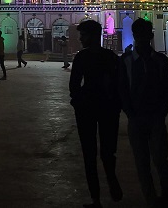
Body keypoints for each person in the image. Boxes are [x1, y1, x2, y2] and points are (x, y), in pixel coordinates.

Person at [118, 19, 168, 208]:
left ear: (150, 36)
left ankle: (165, 192)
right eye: (139, 35)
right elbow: (122, 89)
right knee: (142, 161)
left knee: (159, 158)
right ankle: (151, 199)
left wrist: (162, 110)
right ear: (135, 36)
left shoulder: (159, 61)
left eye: (145, 35)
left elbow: (167, 88)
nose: (142, 39)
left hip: (154, 116)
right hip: (137, 118)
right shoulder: (126, 61)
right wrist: (129, 111)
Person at [69, 20, 122, 207]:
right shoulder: (111, 57)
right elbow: (119, 85)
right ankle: (111, 177)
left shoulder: (82, 57)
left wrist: (77, 102)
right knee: (108, 151)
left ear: (92, 36)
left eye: (83, 35)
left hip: (88, 108)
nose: (80, 39)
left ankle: (96, 199)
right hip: (107, 107)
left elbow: (74, 85)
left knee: (89, 154)